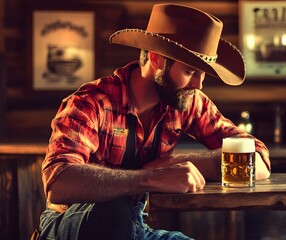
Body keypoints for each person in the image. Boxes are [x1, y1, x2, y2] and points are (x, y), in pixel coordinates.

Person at [37, 3, 271, 240]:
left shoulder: (189, 102)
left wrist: (180, 163)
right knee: (112, 213)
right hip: (70, 224)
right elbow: (58, 181)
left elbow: (258, 161)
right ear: (157, 59)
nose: (198, 85)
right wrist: (149, 178)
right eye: (190, 71)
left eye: (203, 75)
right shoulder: (90, 102)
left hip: (135, 228)